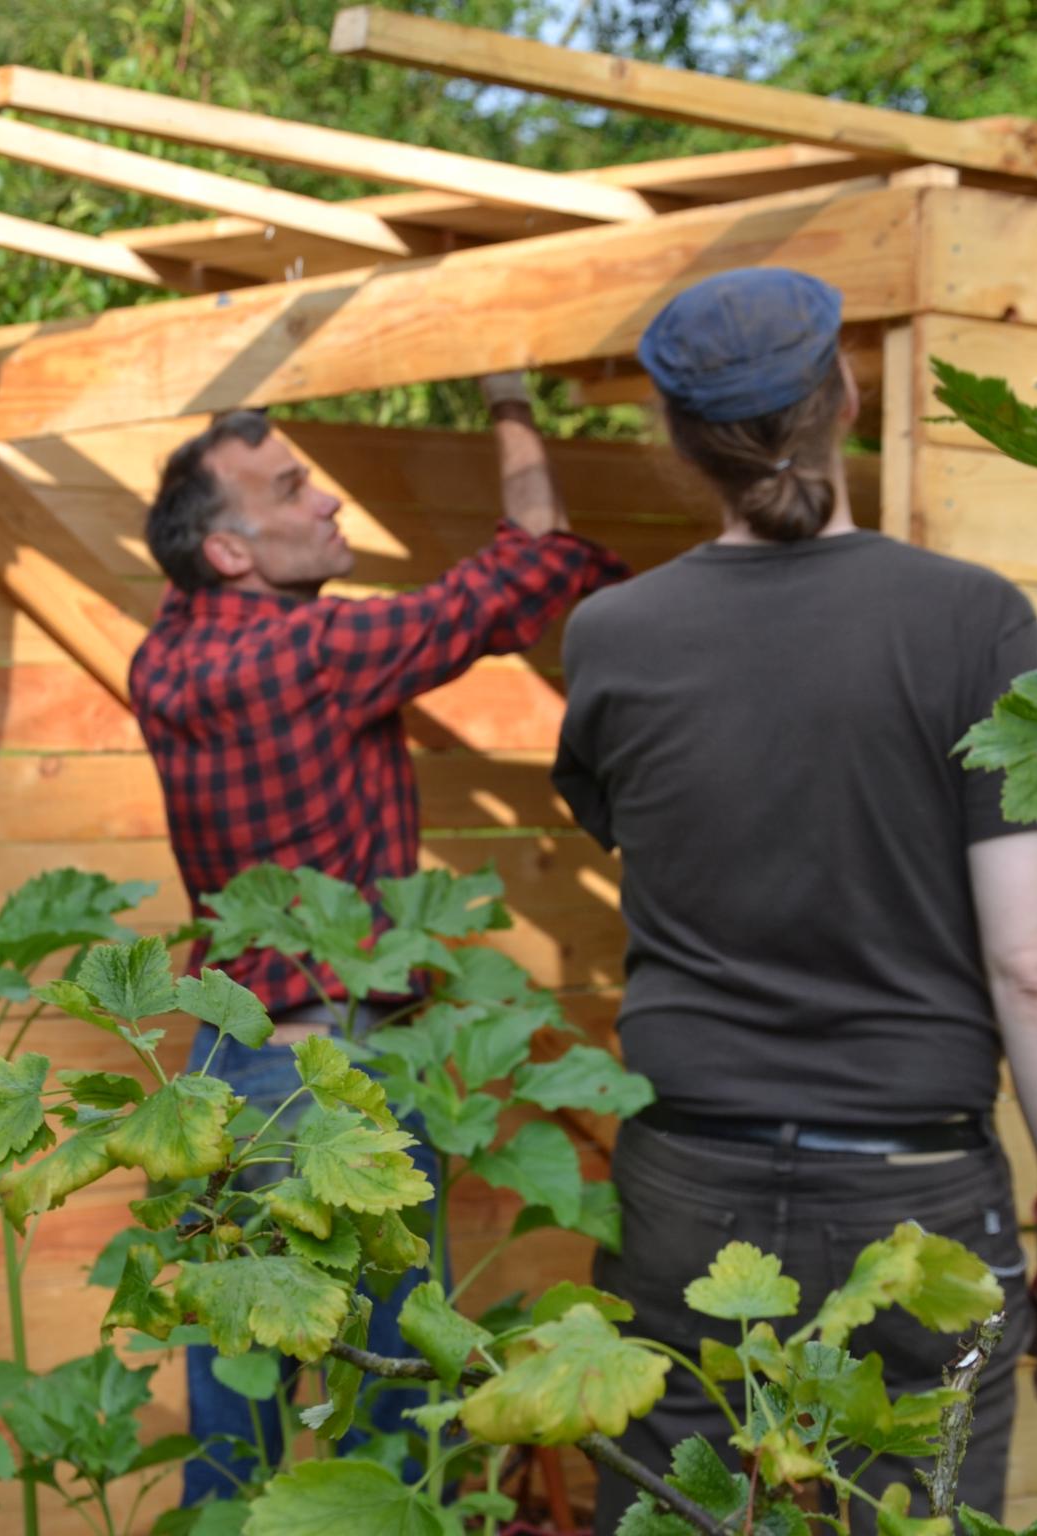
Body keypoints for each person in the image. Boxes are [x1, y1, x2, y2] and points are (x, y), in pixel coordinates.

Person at [551, 269, 1037, 1532]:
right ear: (850, 397)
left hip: (683, 1191)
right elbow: (1032, 963)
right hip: (913, 1201)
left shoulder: (610, 635)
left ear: (676, 438)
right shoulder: (974, 622)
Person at [128, 379, 627, 1504]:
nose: (329, 501)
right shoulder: (320, 652)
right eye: (292, 489)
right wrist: (510, 401)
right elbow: (530, 559)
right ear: (230, 553)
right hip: (341, 1071)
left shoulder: (161, 663)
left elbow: (196, 580)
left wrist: (227, 439)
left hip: (224, 1075)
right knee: (398, 1408)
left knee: (235, 1415)